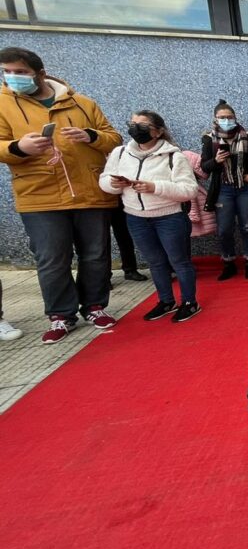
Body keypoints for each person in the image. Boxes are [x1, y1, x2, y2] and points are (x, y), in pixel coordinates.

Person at [0, 46, 122, 344]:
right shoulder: (3, 105)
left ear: (39, 73)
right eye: (7, 73)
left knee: (95, 254)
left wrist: (91, 137)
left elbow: (114, 139)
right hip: (39, 195)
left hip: (89, 190)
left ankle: (94, 306)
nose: (12, 78)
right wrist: (18, 148)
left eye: (20, 72)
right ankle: (60, 315)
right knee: (52, 258)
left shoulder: (82, 103)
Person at [99, 110, 201, 323]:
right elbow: (105, 179)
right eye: (133, 123)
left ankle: (190, 302)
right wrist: (112, 183)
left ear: (158, 131)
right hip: (136, 217)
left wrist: (155, 187)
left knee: (179, 261)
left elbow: (188, 190)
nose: (136, 128)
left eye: (143, 125)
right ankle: (166, 300)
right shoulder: (120, 153)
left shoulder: (174, 156)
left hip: (169, 217)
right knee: (155, 262)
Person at [200, 99, 248, 280]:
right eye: (222, 117)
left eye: (229, 117)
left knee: (247, 226)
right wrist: (216, 160)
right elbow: (205, 167)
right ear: (215, 119)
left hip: (245, 188)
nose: (226, 120)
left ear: (235, 117)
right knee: (224, 229)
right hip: (223, 189)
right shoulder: (209, 139)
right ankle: (228, 262)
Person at [110, 200, 148, 283]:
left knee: (125, 237)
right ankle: (104, 277)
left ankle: (130, 270)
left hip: (119, 200)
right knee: (102, 241)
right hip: (99, 203)